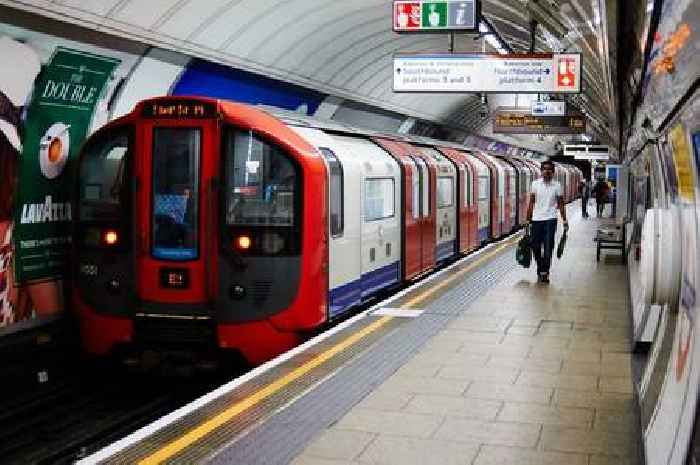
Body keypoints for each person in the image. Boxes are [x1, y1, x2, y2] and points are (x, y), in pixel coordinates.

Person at [527, 160, 568, 284]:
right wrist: (527, 220)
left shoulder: (557, 186)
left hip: (550, 220)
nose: (547, 171)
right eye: (544, 169)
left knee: (548, 247)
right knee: (535, 247)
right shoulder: (535, 184)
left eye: (549, 169)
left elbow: (561, 204)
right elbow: (531, 202)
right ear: (541, 171)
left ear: (553, 172)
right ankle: (541, 268)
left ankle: (545, 272)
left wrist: (565, 220)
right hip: (536, 220)